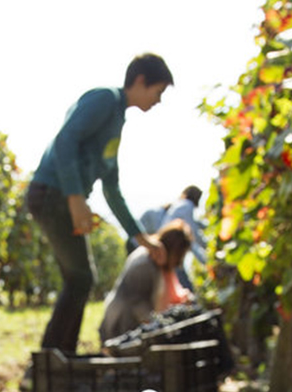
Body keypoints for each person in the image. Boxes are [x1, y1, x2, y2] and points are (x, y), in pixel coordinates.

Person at [26, 53, 173, 370]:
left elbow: (112, 188)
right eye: (158, 92)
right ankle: (49, 361)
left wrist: (142, 238)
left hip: (60, 197)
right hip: (52, 194)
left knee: (78, 278)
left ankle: (59, 359)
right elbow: (66, 139)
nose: (158, 101)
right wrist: (75, 198)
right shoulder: (104, 99)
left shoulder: (116, 122)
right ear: (140, 81)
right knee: (81, 277)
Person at [99, 220, 194, 346]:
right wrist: (160, 325)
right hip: (120, 326)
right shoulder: (144, 263)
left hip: (131, 323)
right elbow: (137, 304)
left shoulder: (158, 264)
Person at [160, 185, 206, 292]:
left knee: (176, 282)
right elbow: (193, 233)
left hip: (167, 247)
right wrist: (207, 247)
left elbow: (195, 225)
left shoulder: (180, 205)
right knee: (184, 285)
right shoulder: (187, 206)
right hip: (171, 249)